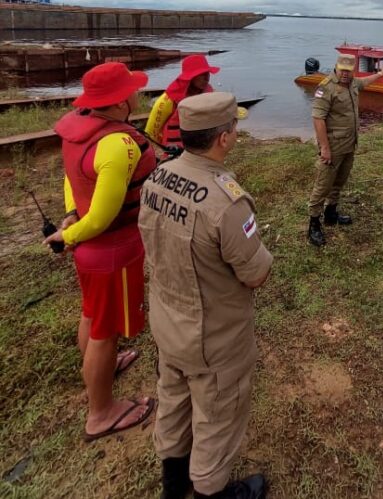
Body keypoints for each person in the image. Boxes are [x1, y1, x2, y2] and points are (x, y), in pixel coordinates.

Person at [138, 92, 272, 499]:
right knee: (216, 420)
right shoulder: (226, 202)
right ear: (224, 139)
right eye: (234, 128)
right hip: (214, 339)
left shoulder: (157, 177)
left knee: (174, 403)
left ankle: (173, 487)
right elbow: (256, 274)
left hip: (166, 323)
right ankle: (211, 492)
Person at [46, 62, 157, 441]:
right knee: (105, 332)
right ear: (120, 101)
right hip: (112, 251)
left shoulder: (78, 128)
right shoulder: (118, 144)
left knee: (92, 316)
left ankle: (99, 372)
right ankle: (101, 412)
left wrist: (69, 217)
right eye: (131, 90)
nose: (136, 94)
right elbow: (106, 216)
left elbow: (69, 177)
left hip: (89, 252)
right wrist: (70, 234)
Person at [307, 53, 383, 246]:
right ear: (336, 67)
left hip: (349, 145)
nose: (345, 74)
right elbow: (318, 119)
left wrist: (381, 73)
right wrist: (325, 148)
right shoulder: (326, 88)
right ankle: (313, 224)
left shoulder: (353, 83)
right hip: (333, 147)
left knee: (339, 182)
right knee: (323, 185)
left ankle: (331, 214)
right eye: (342, 70)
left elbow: (365, 82)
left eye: (349, 70)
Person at [145, 54, 220, 149]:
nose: (207, 78)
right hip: (174, 149)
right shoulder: (168, 99)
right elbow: (151, 132)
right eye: (201, 74)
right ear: (190, 77)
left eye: (207, 73)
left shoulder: (208, 93)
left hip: (200, 147)